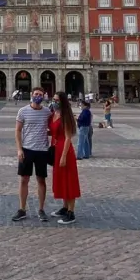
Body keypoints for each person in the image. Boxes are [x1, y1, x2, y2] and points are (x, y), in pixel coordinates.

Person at [12, 87, 52, 222]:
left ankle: (41, 209)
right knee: (24, 180)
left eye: (40, 95)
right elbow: (17, 131)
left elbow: (54, 126)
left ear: (44, 96)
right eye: (36, 94)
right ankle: (22, 209)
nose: (38, 97)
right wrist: (19, 149)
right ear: (31, 95)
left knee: (41, 180)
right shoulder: (22, 111)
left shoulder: (47, 112)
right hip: (27, 149)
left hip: (42, 150)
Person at [49, 92, 81, 224]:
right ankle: (64, 207)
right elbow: (51, 131)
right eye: (53, 99)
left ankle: (71, 212)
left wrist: (63, 156)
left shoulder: (66, 116)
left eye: (57, 100)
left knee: (69, 180)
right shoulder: (53, 114)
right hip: (56, 148)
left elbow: (68, 137)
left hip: (65, 150)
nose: (54, 101)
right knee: (61, 179)